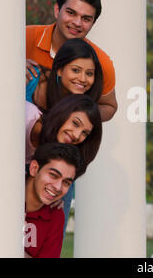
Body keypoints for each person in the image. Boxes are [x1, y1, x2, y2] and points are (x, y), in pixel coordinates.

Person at [26, 0, 117, 122]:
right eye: (71, 13)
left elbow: (109, 106)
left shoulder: (100, 61)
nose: (77, 23)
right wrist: (11, 67)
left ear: (93, 23)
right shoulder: (24, 38)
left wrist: (77, 114)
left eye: (86, 19)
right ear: (57, 10)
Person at [26, 94, 102, 235]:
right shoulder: (26, 116)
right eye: (75, 123)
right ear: (62, 112)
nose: (77, 136)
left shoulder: (50, 155)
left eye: (85, 133)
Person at [25, 142, 84, 258]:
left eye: (66, 182)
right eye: (53, 175)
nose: (58, 187)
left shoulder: (56, 215)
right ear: (34, 168)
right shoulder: (5, 195)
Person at [26, 38, 104, 111]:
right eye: (75, 70)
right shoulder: (30, 76)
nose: (83, 79)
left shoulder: (83, 106)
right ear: (59, 70)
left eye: (89, 73)